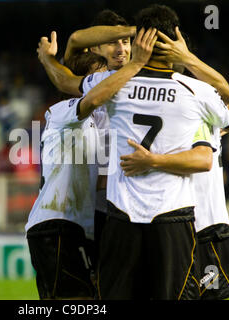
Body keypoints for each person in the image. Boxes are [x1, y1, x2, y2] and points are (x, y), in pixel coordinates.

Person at [26, 28, 157, 300]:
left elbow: (99, 181)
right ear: (86, 82)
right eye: (102, 77)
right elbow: (93, 95)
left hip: (77, 227)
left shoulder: (93, 128)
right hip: (55, 224)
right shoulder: (63, 112)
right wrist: (135, 64)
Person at [120, 26, 229, 300]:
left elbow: (227, 99)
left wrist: (187, 58)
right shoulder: (175, 104)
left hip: (205, 222)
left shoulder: (202, 104)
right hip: (176, 221)